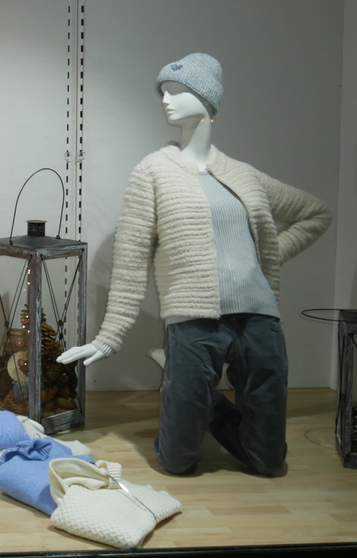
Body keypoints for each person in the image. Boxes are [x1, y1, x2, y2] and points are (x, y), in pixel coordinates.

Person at [58, 53, 331, 476]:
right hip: (193, 321)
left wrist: (263, 258)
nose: (166, 101)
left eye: (178, 91)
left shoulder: (244, 175)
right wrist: (108, 338)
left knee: (269, 462)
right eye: (163, 93)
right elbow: (131, 262)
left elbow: (316, 214)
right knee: (177, 461)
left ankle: (210, 406)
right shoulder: (153, 172)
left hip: (259, 318)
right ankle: (185, 387)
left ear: (207, 99)